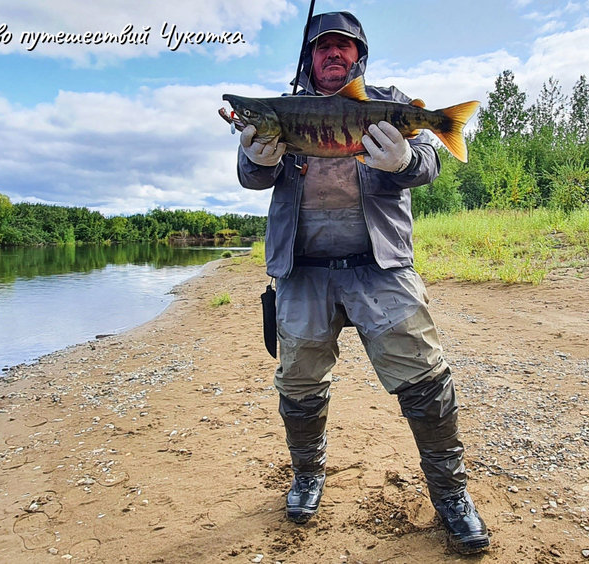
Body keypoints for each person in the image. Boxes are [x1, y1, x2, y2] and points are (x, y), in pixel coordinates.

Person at [234, 11, 489, 554]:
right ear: (309, 57)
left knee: (426, 381)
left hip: (381, 266)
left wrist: (404, 160)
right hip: (302, 269)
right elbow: (251, 176)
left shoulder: (389, 102)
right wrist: (256, 159)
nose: (333, 53)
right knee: (299, 386)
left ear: (359, 56)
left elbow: (428, 165)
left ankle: (452, 495)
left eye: (343, 46)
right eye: (322, 46)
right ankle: (307, 476)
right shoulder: (281, 111)